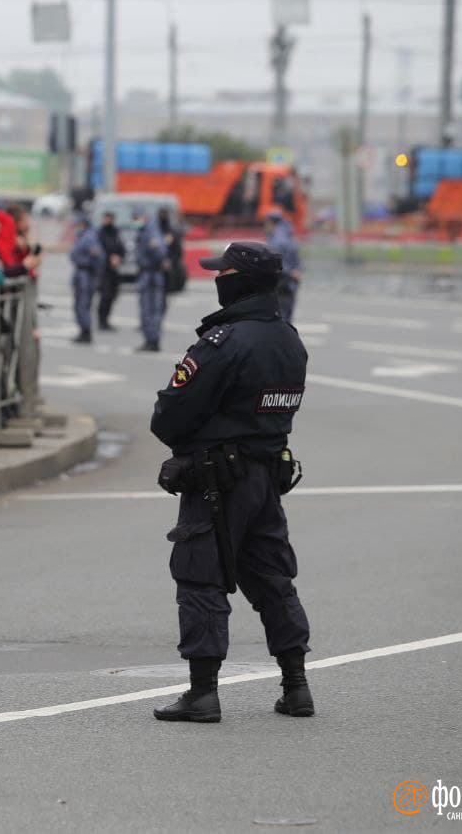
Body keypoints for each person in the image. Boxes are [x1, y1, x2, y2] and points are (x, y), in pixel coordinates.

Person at [149, 241, 313, 724]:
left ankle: (203, 693)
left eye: (223, 272)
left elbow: (171, 415)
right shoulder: (289, 338)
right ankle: (296, 685)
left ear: (237, 280)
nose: (216, 278)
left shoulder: (226, 342)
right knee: (272, 578)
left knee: (200, 576)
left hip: (219, 479)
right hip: (267, 474)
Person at [135, 212, 169, 353]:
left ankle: (152, 340)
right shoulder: (146, 231)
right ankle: (150, 339)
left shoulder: (150, 232)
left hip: (151, 274)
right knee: (148, 309)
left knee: (150, 309)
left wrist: (157, 260)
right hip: (148, 273)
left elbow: (159, 251)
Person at [68, 213, 104, 345]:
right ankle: (83, 330)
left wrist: (94, 272)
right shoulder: (82, 236)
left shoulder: (89, 238)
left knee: (83, 304)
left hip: (86, 274)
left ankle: (86, 331)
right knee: (80, 304)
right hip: (81, 273)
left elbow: (98, 257)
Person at [266, 209, 302, 324]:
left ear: (271, 223)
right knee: (288, 313)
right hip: (291, 282)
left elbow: (276, 262)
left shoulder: (277, 239)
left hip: (283, 281)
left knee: (281, 316)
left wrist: (290, 272)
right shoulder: (288, 234)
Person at [96, 212, 125, 332]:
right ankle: (101, 320)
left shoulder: (116, 232)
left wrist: (119, 257)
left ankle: (106, 319)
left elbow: (121, 248)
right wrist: (109, 258)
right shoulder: (100, 233)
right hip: (104, 270)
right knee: (105, 295)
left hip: (114, 270)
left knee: (112, 295)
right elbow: (99, 251)